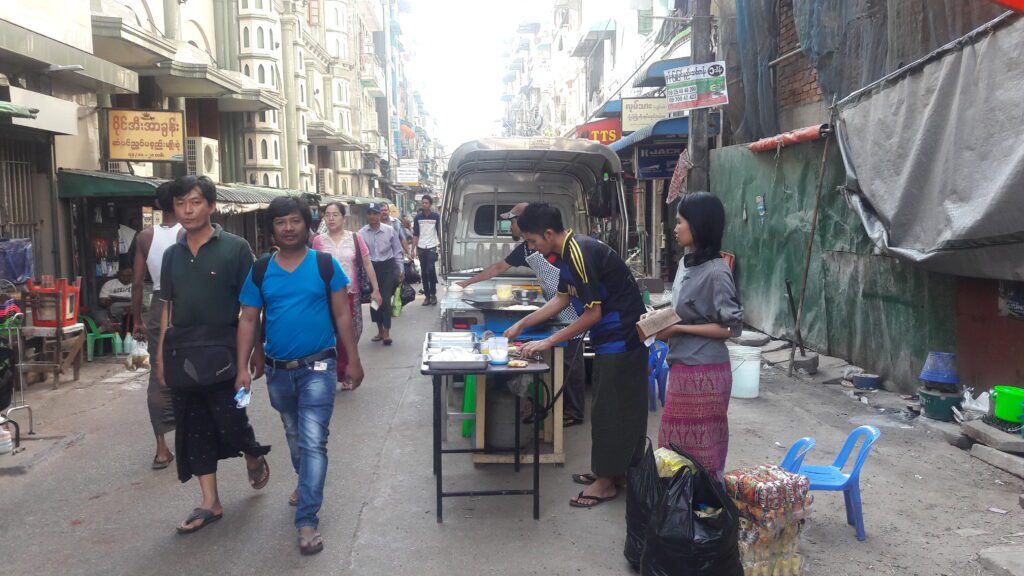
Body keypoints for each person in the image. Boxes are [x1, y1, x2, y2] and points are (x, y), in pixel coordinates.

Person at [237, 196, 365, 556]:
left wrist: (352, 359)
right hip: (279, 372)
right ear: (272, 228)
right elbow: (249, 319)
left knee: (312, 441)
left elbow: (343, 315)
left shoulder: (324, 266)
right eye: (281, 222)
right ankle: (305, 482)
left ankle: (307, 518)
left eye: (294, 221)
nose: (288, 228)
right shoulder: (261, 270)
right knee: (294, 434)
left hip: (319, 367)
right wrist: (241, 367)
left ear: (307, 226)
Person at [504, 203, 648, 509]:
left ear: (547, 233)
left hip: (621, 339)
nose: (531, 248)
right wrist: (522, 323)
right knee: (613, 408)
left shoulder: (580, 251)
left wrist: (549, 341)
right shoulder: (569, 251)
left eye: (532, 241)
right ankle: (613, 472)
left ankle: (607, 482)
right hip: (612, 338)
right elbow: (561, 300)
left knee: (611, 410)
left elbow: (593, 314)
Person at [157, 175, 271, 534]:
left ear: (211, 205)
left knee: (231, 419)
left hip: (225, 349)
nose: (187, 210)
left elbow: (252, 306)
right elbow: (166, 309)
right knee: (193, 427)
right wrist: (161, 356)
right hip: (184, 354)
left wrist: (255, 352)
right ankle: (210, 502)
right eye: (180, 203)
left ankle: (252, 452)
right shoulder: (172, 255)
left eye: (194, 202)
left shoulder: (235, 248)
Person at [457, 202, 586, 427]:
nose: (512, 227)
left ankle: (574, 412)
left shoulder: (563, 248)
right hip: (556, 303)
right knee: (558, 362)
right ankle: (557, 406)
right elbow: (497, 268)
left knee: (570, 362)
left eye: (513, 222)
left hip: (573, 307)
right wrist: (466, 282)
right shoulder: (527, 249)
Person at [656, 192, 743, 480]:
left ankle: (705, 512)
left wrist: (678, 328)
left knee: (703, 450)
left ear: (699, 225)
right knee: (674, 447)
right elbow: (681, 308)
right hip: (681, 365)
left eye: (680, 222)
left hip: (705, 371)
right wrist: (657, 318)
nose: (675, 227)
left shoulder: (717, 272)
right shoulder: (685, 262)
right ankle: (678, 508)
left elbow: (730, 328)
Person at [132, 181, 184, 470]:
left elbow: (138, 283)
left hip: (158, 305)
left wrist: (138, 319)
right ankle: (191, 435)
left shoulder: (145, 236)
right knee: (188, 368)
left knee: (158, 372)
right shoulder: (189, 234)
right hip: (185, 305)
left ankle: (161, 449)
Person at [312, 202, 382, 390]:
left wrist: (376, 289)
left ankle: (344, 368)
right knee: (331, 335)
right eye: (327, 215)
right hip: (326, 296)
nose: (331, 218)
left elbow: (367, 264)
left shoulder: (355, 238)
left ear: (343, 218)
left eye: (335, 214)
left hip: (351, 294)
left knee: (353, 333)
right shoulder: (318, 241)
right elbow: (313, 269)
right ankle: (340, 373)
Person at [359, 203, 404, 345]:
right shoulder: (361, 233)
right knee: (374, 301)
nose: (372, 216)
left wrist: (401, 269)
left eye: (375, 213)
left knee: (384, 299)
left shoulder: (390, 230)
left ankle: (386, 331)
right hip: (372, 268)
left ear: (380, 215)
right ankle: (379, 329)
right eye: (370, 213)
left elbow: (397, 251)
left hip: (388, 267)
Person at [412, 195, 441, 306]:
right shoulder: (418, 218)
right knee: (424, 272)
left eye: (426, 203)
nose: (424, 204)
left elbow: (439, 232)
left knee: (430, 270)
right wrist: (413, 249)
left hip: (432, 246)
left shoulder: (435, 216)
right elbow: (415, 234)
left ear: (430, 204)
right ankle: (427, 297)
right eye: (423, 202)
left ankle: (433, 295)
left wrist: (441, 246)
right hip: (421, 247)